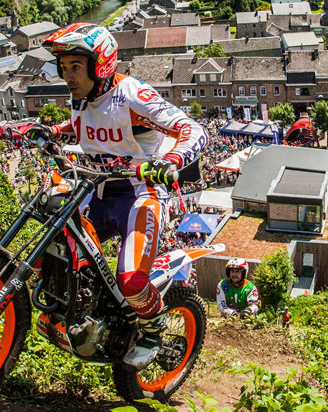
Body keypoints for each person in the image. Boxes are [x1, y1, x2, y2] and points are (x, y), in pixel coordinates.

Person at [36, 23, 207, 370]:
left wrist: (170, 160)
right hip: (97, 190)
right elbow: (83, 122)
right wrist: (53, 130)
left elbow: (192, 129)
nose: (67, 76)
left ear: (99, 64)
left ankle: (153, 330)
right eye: (63, 67)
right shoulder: (81, 96)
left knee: (130, 280)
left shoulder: (131, 93)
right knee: (53, 254)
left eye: (75, 67)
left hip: (140, 192)